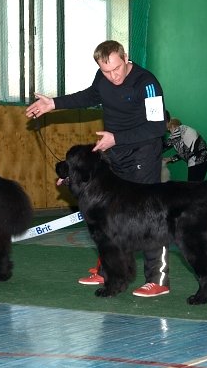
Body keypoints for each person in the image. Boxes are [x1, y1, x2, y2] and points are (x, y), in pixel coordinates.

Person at [25, 40, 170, 297]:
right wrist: (53, 104)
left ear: (125, 58)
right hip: (115, 153)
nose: (112, 76)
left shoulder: (147, 83)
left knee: (148, 216)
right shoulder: (103, 78)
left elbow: (157, 128)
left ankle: (157, 279)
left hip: (143, 154)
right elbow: (91, 95)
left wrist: (117, 138)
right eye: (106, 71)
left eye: (116, 68)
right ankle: (109, 272)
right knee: (108, 216)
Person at [162, 112, 207, 182]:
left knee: (192, 185)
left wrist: (154, 149)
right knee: (196, 184)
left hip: (197, 158)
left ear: (173, 126)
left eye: (169, 129)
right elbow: (184, 153)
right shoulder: (183, 136)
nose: (170, 133)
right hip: (202, 157)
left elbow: (167, 144)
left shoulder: (180, 128)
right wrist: (170, 159)